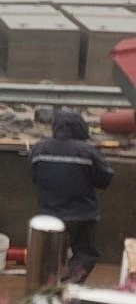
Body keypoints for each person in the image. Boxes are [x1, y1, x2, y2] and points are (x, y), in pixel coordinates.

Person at [30, 109, 113, 283]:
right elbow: (104, 179)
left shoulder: (39, 149)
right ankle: (68, 286)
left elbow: (35, 177)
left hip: (50, 217)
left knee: (50, 257)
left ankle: (46, 290)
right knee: (85, 254)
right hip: (82, 216)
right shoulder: (87, 152)